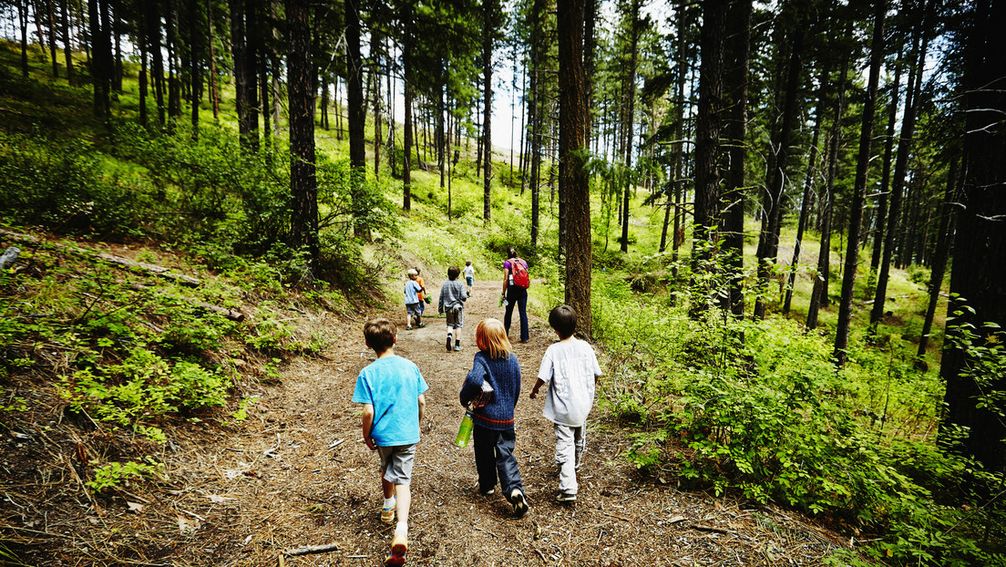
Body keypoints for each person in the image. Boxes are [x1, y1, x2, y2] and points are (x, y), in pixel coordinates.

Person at [351, 318, 429, 566]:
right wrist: (417, 424)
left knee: (387, 468)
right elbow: (422, 401)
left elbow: (367, 412)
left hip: (383, 435)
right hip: (407, 433)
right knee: (403, 479)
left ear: (368, 343)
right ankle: (401, 529)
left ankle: (387, 506)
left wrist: (366, 435)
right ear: (395, 339)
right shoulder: (410, 367)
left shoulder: (367, 373)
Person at [529, 305, 602, 503]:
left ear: (555, 328)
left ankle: (568, 487)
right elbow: (596, 373)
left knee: (565, 443)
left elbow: (543, 376)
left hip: (563, 407)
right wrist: (588, 391)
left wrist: (535, 390)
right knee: (579, 437)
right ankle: (574, 466)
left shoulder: (554, 350)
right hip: (583, 404)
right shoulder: (585, 347)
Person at [459, 319, 530, 518]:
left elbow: (474, 380)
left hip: (485, 420)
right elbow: (516, 386)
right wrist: (509, 407)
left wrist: (465, 398)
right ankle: (514, 490)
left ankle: (488, 485)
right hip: (506, 418)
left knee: (484, 453)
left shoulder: (481, 358)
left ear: (481, 340)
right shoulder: (513, 359)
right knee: (505, 454)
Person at [501, 248, 530, 343]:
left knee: (508, 312)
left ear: (508, 254)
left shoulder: (507, 263)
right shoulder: (523, 262)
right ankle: (524, 337)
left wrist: (503, 292)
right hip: (522, 290)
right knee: (523, 313)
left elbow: (505, 279)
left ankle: (505, 334)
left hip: (512, 290)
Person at [438, 266, 469, 352]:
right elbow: (463, 297)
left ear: (448, 274)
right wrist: (466, 296)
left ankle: (449, 336)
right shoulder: (460, 284)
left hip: (448, 308)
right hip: (458, 307)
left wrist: (440, 309)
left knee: (450, 324)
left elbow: (441, 297)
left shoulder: (445, 284)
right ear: (458, 275)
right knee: (458, 325)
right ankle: (457, 345)